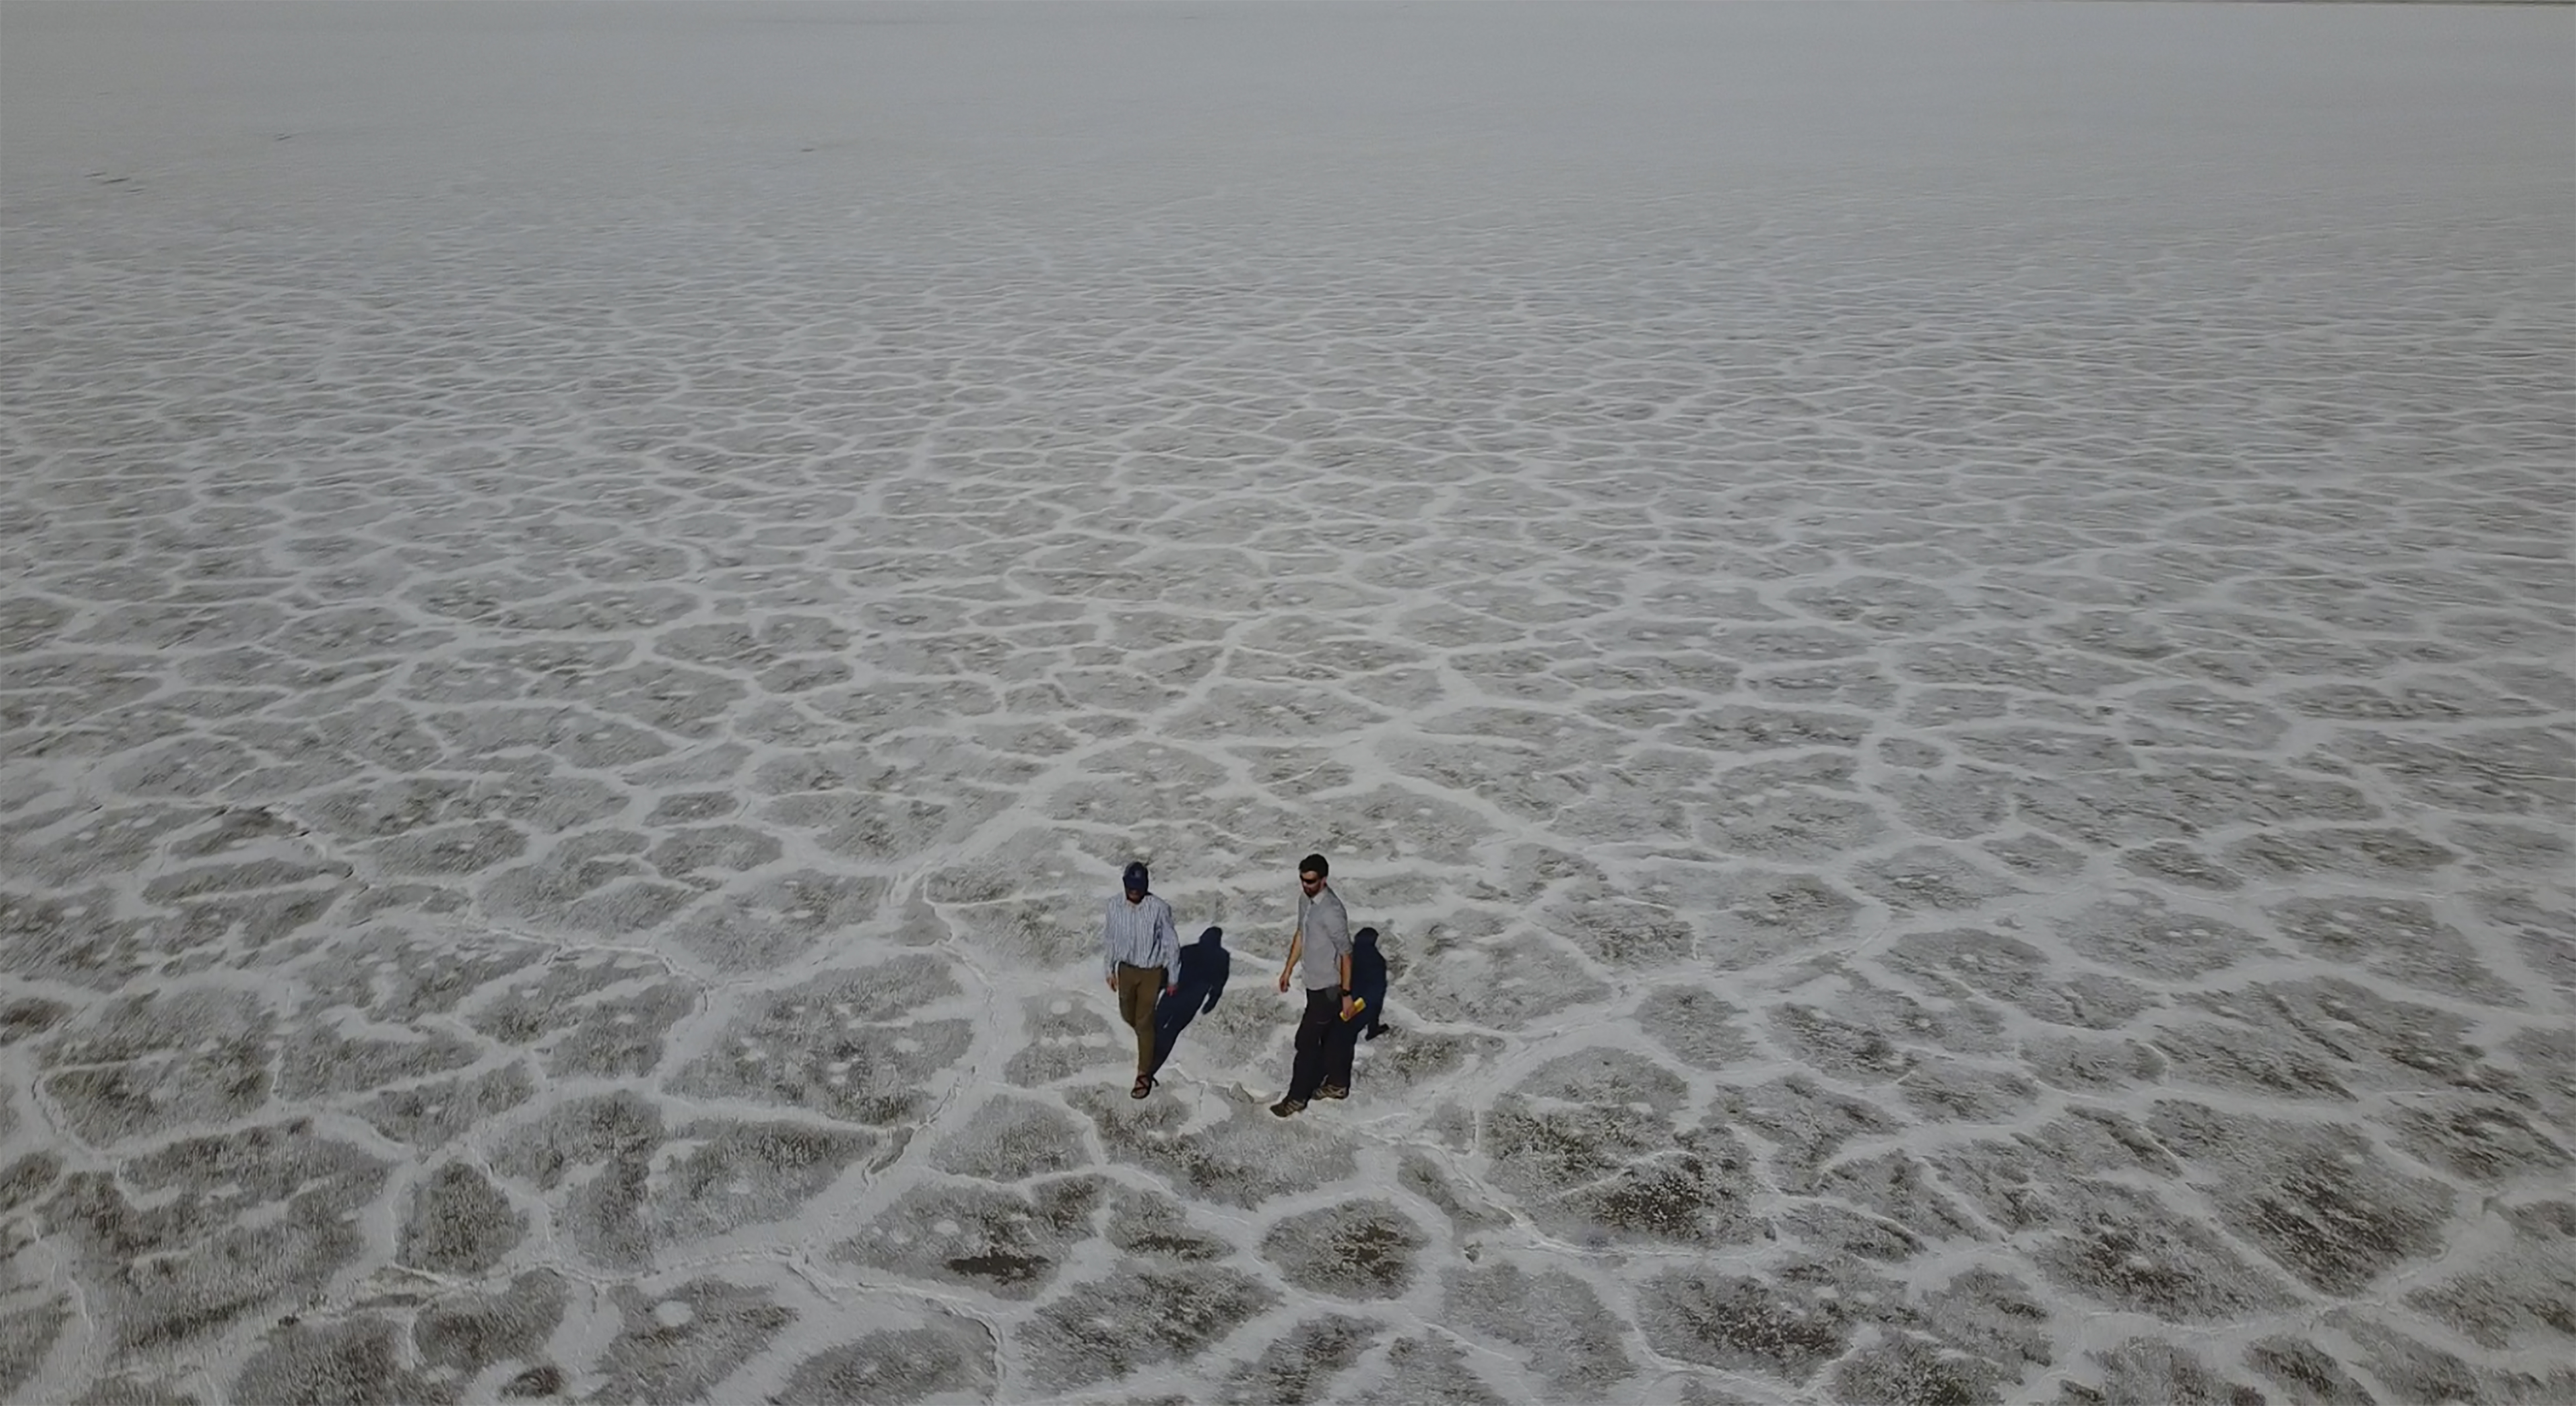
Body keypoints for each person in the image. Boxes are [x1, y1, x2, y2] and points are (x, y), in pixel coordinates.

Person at [1272, 853, 1358, 1117]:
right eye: (1303, 880)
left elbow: (1346, 954)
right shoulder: (1306, 901)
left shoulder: (1332, 912)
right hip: (1314, 984)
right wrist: (1288, 969)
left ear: (1324, 879)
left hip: (1328, 991)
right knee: (1332, 1038)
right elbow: (1301, 934)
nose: (1306, 886)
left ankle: (1297, 1098)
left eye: (1311, 881)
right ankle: (1338, 1084)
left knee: (1306, 1043)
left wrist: (1346, 994)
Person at [1101, 860, 1179, 1098]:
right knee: (1128, 1014)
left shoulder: (1158, 908)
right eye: (1131, 886)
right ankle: (1149, 1038)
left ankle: (1144, 1073)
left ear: (1146, 885)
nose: (1135, 891)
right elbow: (1110, 938)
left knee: (1143, 1022)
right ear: (1125, 884)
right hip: (1126, 969)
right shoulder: (1113, 906)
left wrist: (1173, 976)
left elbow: (1170, 942)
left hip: (1151, 971)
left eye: (1139, 886)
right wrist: (1109, 969)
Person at [1147, 926, 1230, 1078]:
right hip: (1190, 1002)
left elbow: (1168, 972)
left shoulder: (1189, 951)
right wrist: (1212, 1000)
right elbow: (1219, 983)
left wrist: (1158, 988)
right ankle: (1150, 1070)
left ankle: (1147, 1068)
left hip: (1175, 997)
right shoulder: (1221, 957)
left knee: (1158, 1029)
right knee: (1170, 1032)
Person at [1349, 926, 1389, 1040]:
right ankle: (1373, 1029)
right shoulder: (1377, 959)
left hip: (1348, 997)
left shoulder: (1349, 953)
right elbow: (1378, 987)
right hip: (1367, 999)